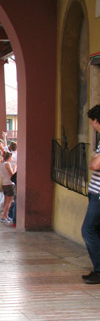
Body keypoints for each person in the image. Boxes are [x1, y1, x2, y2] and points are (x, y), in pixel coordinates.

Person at [81, 105, 100, 284]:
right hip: (95, 192)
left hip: (99, 194)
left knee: (87, 229)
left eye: (92, 123)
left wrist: (94, 158)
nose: (93, 127)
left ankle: (99, 270)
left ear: (96, 120)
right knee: (96, 230)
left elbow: (94, 164)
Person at [0, 152, 15, 222]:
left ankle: (6, 215)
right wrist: (14, 168)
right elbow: (12, 175)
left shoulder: (0, 164)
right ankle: (4, 216)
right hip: (9, 184)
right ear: (9, 158)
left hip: (4, 184)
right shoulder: (7, 164)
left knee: (5, 200)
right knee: (9, 201)